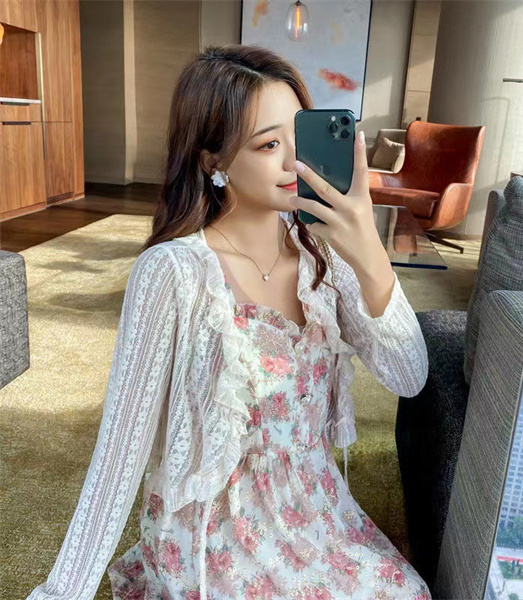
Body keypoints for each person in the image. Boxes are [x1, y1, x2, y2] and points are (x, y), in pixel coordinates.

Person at [26, 44, 430, 600]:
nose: (296, 163)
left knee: (406, 593)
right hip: (216, 534)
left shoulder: (326, 260)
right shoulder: (173, 272)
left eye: (300, 136)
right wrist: (62, 591)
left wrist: (371, 259)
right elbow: (119, 452)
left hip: (315, 508)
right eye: (268, 144)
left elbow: (409, 376)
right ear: (212, 161)